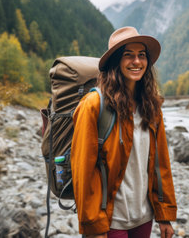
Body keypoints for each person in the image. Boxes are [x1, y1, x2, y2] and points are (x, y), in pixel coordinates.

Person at [71, 26, 177, 238]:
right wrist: (95, 226)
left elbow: (161, 164)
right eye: (128, 55)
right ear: (115, 62)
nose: (137, 62)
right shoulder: (93, 106)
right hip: (111, 220)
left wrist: (164, 215)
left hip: (144, 218)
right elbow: (83, 171)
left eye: (141, 55)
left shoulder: (152, 107)